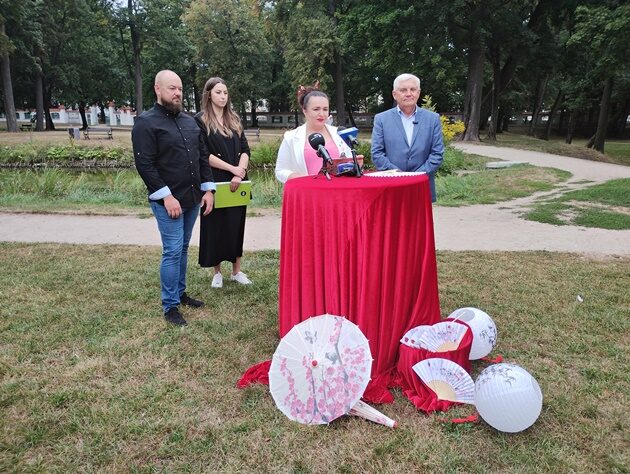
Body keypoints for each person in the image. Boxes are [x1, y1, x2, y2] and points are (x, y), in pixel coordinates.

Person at [132, 70, 216, 326]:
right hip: (168, 200)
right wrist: (166, 196)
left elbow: (202, 157)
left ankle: (180, 293)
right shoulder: (146, 123)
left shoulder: (191, 121)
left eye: (179, 88)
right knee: (171, 251)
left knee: (182, 248)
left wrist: (208, 189)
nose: (177, 93)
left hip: (192, 198)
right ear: (157, 89)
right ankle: (170, 306)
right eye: (171, 88)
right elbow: (145, 164)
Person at [195, 77, 252, 289]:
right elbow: (203, 154)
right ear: (209, 94)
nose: (223, 96)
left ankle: (236, 271)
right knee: (215, 226)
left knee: (236, 225)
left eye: (225, 93)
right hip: (215, 180)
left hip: (238, 181)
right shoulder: (200, 121)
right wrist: (231, 169)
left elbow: (245, 150)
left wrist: (240, 173)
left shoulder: (234, 119)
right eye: (218, 92)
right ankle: (217, 272)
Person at [371, 73, 445, 202]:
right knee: (392, 222)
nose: (409, 93)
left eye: (413, 89)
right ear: (395, 94)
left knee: (419, 222)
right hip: (391, 185)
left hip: (422, 185)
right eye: (403, 90)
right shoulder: (381, 119)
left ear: (419, 92)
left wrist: (416, 176)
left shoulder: (432, 119)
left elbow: (437, 154)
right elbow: (377, 154)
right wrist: (399, 175)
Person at [275, 84, 353, 182]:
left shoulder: (339, 134)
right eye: (316, 109)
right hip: (308, 193)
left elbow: (349, 164)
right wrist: (299, 178)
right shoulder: (291, 137)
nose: (321, 114)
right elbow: (280, 171)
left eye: (325, 109)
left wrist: (355, 164)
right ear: (304, 110)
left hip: (337, 193)